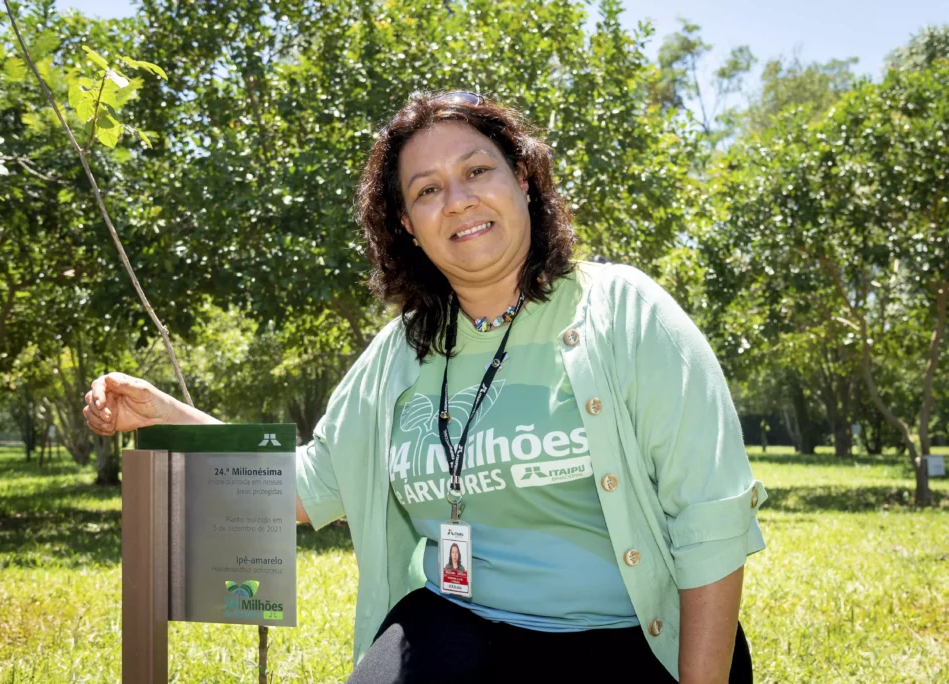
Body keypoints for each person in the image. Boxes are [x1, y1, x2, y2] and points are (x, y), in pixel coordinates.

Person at [84, 91, 767, 683]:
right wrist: (163, 414)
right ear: (407, 226)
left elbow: (710, 518)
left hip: (628, 642)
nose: (459, 200)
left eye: (476, 171)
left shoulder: (626, 311)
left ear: (523, 179)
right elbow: (307, 485)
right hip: (458, 627)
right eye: (427, 190)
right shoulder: (399, 352)